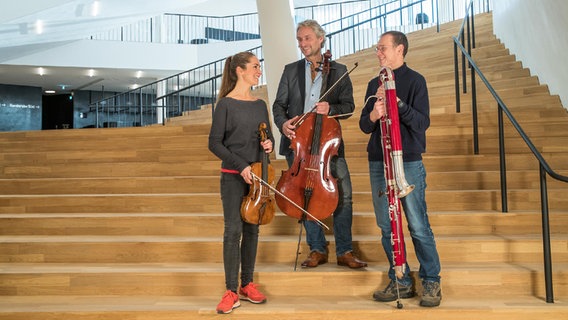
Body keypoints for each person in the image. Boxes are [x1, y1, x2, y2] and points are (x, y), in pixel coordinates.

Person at [272, 19, 366, 269]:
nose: (303, 44)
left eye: (307, 38)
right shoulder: (291, 70)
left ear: (320, 38)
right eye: (300, 39)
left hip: (328, 147)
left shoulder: (339, 70)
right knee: (303, 196)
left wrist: (331, 109)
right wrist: (283, 124)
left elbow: (349, 107)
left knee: (344, 197)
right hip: (298, 145)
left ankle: (345, 250)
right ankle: (317, 249)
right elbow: (278, 106)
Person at [358, 30, 442, 307]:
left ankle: (431, 279)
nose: (378, 53)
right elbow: (364, 125)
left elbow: (421, 123)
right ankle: (401, 279)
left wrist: (397, 104)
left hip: (407, 160)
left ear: (400, 49)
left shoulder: (416, 81)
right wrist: (375, 112)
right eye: (377, 49)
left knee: (418, 225)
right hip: (378, 161)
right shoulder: (374, 83)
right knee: (386, 225)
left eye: (383, 48)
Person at [208, 51, 274, 314]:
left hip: (258, 175)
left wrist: (269, 145)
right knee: (233, 231)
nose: (259, 71)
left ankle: (247, 284)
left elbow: (266, 138)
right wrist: (241, 165)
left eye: (260, 66)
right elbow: (214, 143)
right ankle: (230, 290)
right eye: (256, 66)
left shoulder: (260, 104)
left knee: (253, 230)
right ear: (240, 70)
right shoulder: (225, 104)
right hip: (233, 176)